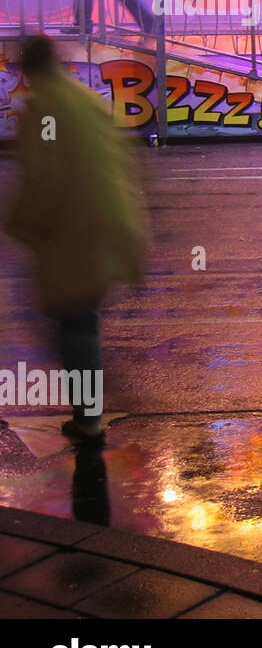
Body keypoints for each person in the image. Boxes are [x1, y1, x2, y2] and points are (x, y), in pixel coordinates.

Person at [3, 35, 145, 444]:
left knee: (72, 322)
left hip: (74, 230)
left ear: (26, 69)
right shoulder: (87, 99)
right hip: (109, 223)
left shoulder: (44, 109)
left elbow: (41, 180)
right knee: (79, 319)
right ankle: (90, 407)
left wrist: (17, 224)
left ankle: (88, 419)